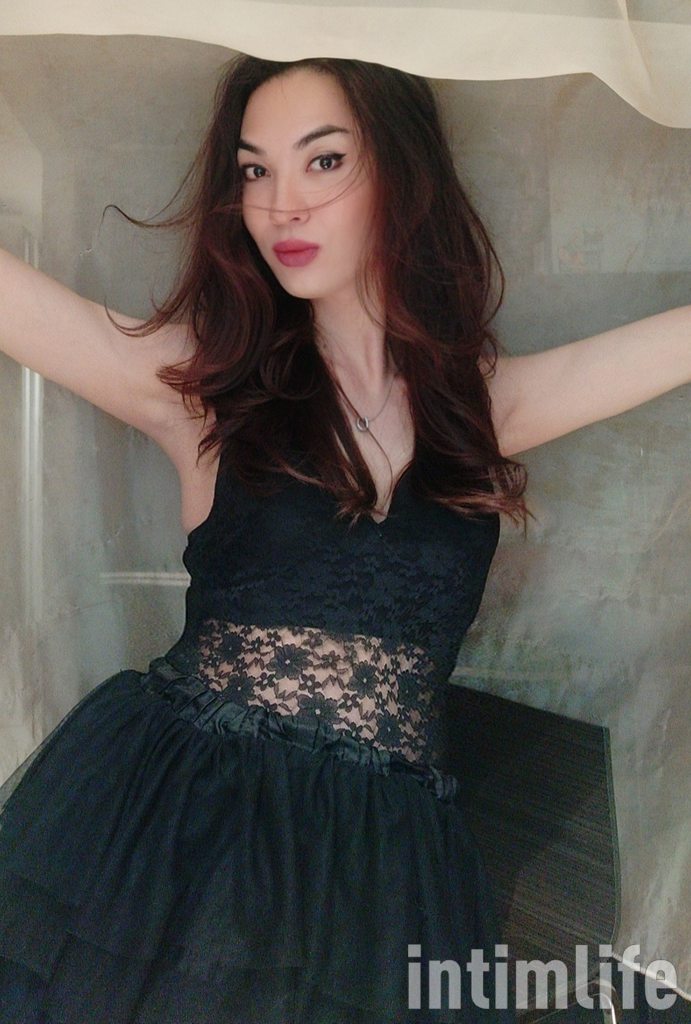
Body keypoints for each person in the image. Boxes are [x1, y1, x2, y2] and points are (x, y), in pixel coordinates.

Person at [0, 53, 688, 1024]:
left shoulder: (484, 407)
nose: (280, 203)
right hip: (187, 827)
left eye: (322, 161)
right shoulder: (201, 388)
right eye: (254, 169)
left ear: (400, 173)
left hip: (383, 866)